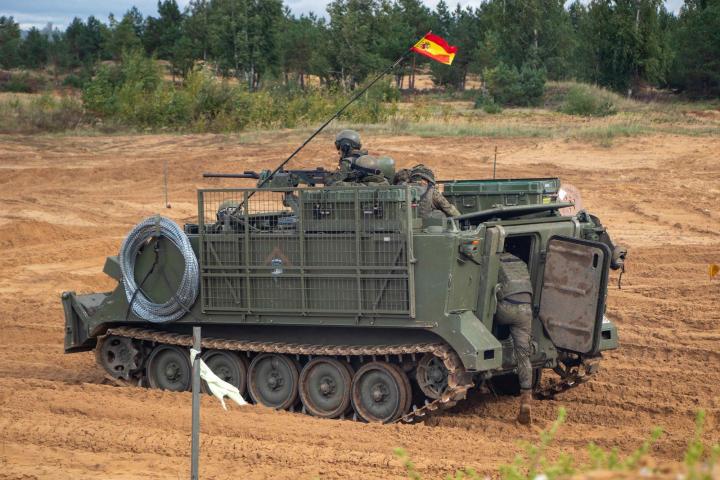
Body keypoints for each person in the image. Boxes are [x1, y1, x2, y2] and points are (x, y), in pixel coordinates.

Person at [494, 253, 534, 425]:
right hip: (525, 310)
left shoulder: (495, 260)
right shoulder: (521, 262)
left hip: (506, 309)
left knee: (485, 315)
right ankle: (526, 399)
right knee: (524, 356)